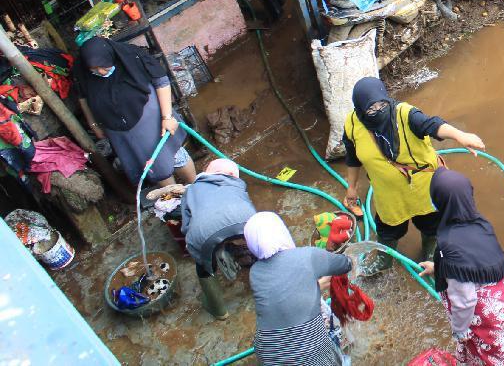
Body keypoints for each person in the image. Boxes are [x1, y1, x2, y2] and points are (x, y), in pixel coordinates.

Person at [342, 77, 484, 275]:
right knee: (387, 230)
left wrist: (460, 135)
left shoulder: (404, 114)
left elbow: (432, 125)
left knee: (431, 225)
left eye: (381, 105)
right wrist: (352, 187)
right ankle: (384, 260)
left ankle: (430, 253)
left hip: (423, 188)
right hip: (389, 195)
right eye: (370, 109)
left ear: (386, 98)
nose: (377, 112)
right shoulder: (352, 124)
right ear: (359, 109)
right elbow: (353, 158)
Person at [418, 169, 504, 366]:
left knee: (486, 354)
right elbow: (473, 263)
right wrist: (439, 268)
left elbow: (465, 300)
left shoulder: (449, 245)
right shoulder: (480, 224)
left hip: (486, 312)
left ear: (439, 203)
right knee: (502, 349)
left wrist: (460, 330)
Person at [75, 36, 196, 187]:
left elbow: (161, 80)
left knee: (174, 154)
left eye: (104, 66)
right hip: (120, 131)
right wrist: (94, 125)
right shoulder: (82, 72)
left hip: (149, 119)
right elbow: (83, 98)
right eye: (94, 70)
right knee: (152, 166)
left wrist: (167, 116)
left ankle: (196, 185)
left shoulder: (131, 57)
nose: (100, 71)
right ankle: (176, 198)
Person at [244, 212, 353, 366]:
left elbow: (282, 297)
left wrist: (315, 285)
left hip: (268, 355)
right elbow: (345, 264)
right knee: (327, 318)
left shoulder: (254, 272)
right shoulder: (307, 256)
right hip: (312, 355)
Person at [180, 158, 256, 319]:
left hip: (203, 234)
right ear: (231, 175)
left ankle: (219, 310)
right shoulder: (237, 183)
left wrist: (200, 246)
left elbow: (186, 227)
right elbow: (245, 203)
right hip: (244, 219)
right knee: (258, 243)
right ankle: (269, 281)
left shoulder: (190, 191)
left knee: (202, 266)